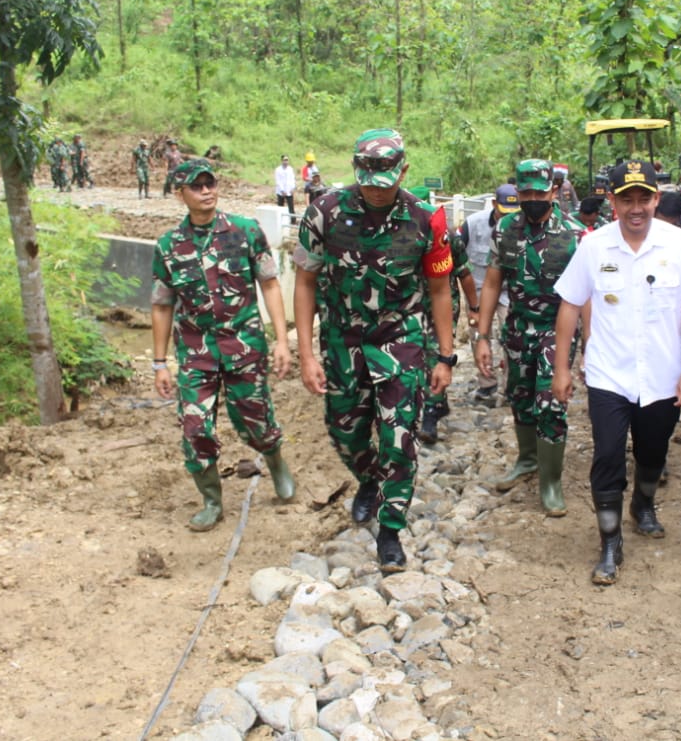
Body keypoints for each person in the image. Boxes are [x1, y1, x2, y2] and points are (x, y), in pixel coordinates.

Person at [293, 128, 455, 573]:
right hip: (342, 340)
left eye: (385, 183)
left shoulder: (427, 219)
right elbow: (305, 282)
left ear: (403, 171)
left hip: (399, 339)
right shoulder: (323, 212)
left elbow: (440, 290)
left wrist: (445, 355)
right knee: (345, 429)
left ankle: (390, 530)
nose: (375, 193)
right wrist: (306, 354)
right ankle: (367, 478)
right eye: (367, 182)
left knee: (399, 437)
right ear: (355, 170)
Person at [552, 159, 681, 585]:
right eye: (627, 199)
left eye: (645, 198)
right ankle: (610, 542)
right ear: (613, 201)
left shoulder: (678, 244)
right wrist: (562, 368)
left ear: (656, 199)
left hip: (663, 375)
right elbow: (570, 305)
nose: (636, 207)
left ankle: (643, 502)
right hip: (609, 373)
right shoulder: (593, 246)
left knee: (652, 453)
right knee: (606, 456)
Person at [150, 159, 295, 531]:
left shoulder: (245, 232)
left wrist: (281, 340)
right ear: (180, 193)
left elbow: (270, 285)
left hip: (244, 346)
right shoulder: (169, 246)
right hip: (196, 354)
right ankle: (212, 500)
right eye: (196, 187)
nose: (206, 191)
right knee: (195, 428)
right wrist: (159, 362)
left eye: (210, 184)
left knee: (255, 423)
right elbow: (162, 304)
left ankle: (276, 463)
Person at [476, 159, 584, 515]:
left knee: (551, 403)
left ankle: (550, 482)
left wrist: (589, 348)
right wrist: (482, 336)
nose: (534, 198)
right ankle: (527, 459)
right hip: (519, 329)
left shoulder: (574, 233)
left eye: (540, 191)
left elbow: (587, 294)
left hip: (558, 331)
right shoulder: (506, 228)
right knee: (519, 396)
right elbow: (493, 282)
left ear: (553, 191)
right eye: (527, 192)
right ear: (518, 192)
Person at [416, 185, 479, 445]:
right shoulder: (399, 235)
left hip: (442, 307)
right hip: (411, 307)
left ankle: (430, 415)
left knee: (435, 357)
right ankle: (429, 403)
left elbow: (464, 274)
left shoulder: (447, 235)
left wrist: (473, 307)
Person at [460, 183, 520, 405]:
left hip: (507, 291)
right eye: (503, 213)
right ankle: (487, 384)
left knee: (513, 336)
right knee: (479, 336)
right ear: (494, 204)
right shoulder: (472, 224)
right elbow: (456, 256)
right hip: (477, 289)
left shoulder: (523, 226)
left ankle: (510, 386)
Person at [274, 154, 296, 218]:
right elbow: (278, 181)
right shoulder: (278, 169)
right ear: (282, 161)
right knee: (280, 207)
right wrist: (282, 190)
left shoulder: (290, 169)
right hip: (281, 191)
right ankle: (279, 220)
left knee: (291, 207)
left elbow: (293, 179)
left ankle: (293, 220)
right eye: (284, 160)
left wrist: (293, 188)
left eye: (287, 160)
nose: (286, 162)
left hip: (289, 190)